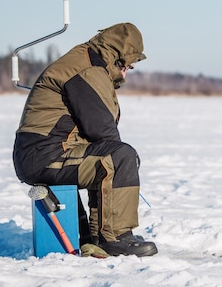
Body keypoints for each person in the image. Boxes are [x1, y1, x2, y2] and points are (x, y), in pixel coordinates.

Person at [13, 22, 157, 257]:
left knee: (109, 156)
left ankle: (97, 235)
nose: (127, 71)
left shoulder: (87, 63)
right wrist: (125, 163)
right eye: (128, 65)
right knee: (118, 157)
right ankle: (115, 237)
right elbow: (101, 129)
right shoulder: (87, 69)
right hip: (44, 155)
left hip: (42, 153)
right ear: (118, 56)